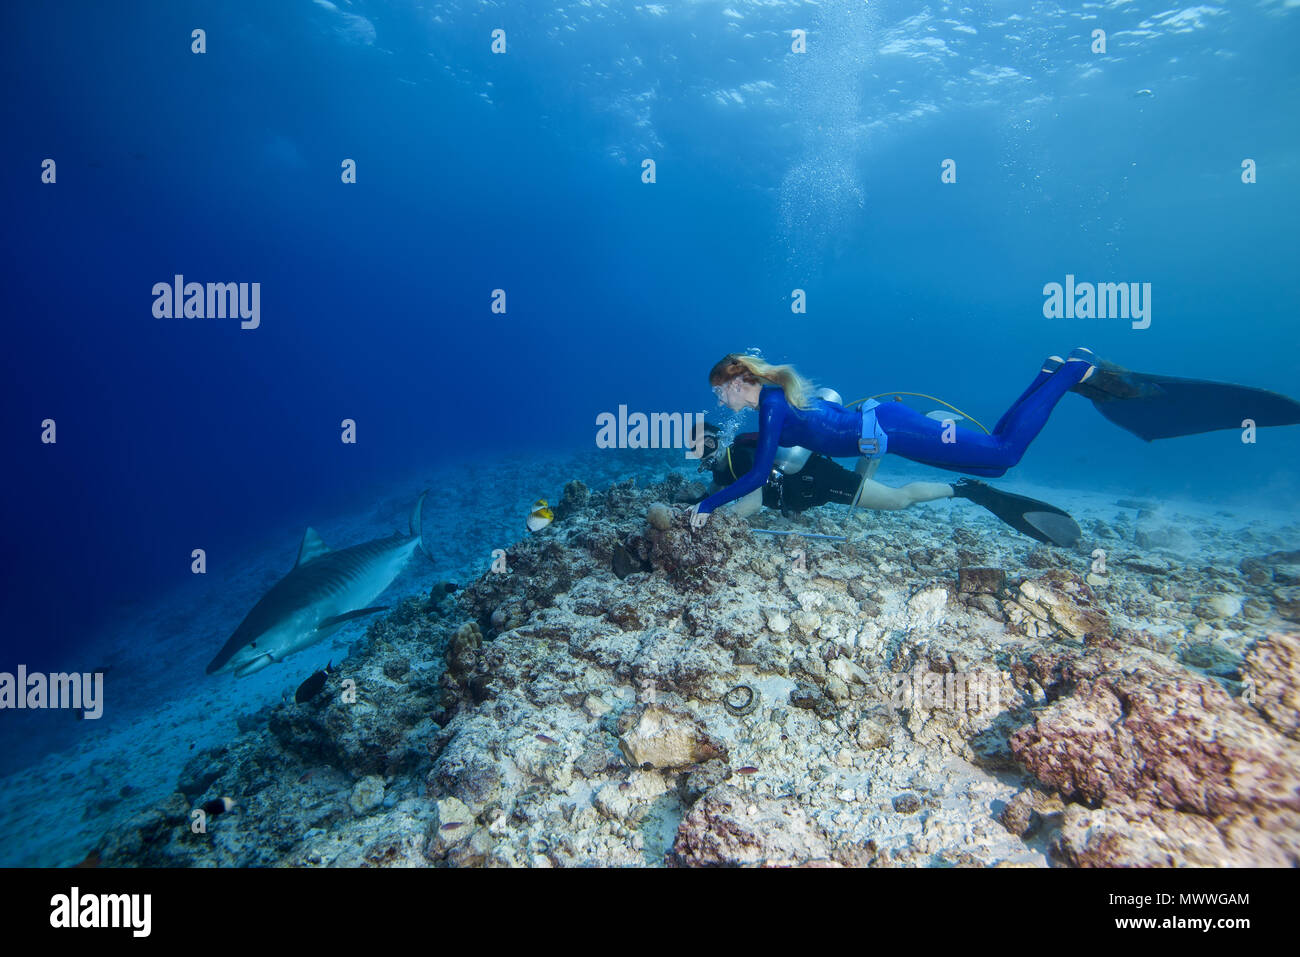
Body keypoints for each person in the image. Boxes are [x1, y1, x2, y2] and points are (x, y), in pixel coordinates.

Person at [687, 348, 1300, 529]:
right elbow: (821, 411)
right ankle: (1049, 373)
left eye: (722, 388)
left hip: (889, 427)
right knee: (998, 453)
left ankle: (1068, 373)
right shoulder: (777, 397)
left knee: (1002, 459)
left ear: (740, 379)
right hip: (885, 424)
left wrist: (702, 508)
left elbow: (757, 471)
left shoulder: (768, 403)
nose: (721, 399)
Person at [689, 423, 1081, 545]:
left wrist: (715, 525)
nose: (696, 454)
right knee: (868, 488)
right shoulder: (722, 467)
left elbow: (753, 502)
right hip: (807, 491)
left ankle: (967, 489)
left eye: (699, 445)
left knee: (897, 501)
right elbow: (723, 494)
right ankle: (873, 453)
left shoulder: (736, 456)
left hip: (818, 481)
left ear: (712, 441)